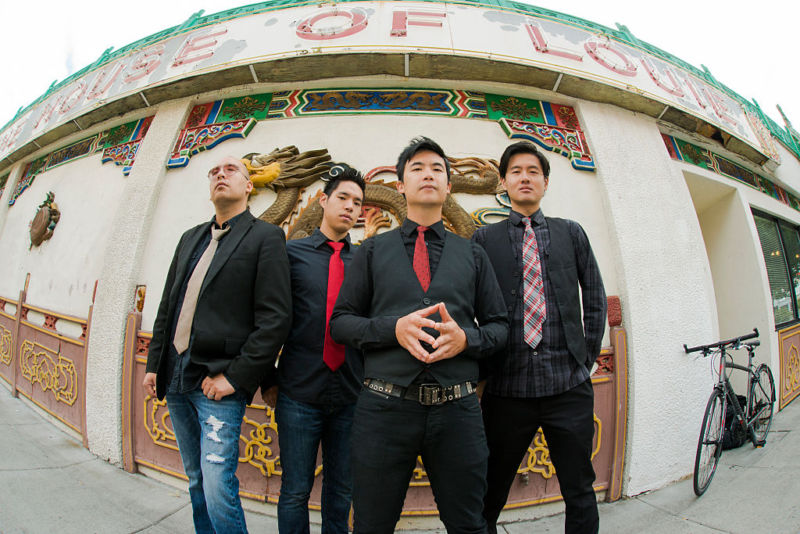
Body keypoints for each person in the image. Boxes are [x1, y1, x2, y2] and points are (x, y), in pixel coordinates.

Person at [330, 137, 509, 534]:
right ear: (400, 186)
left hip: (458, 412)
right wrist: (392, 328)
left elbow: (500, 327)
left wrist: (467, 339)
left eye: (437, 169)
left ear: (448, 187)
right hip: (383, 410)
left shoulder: (474, 254)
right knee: (371, 525)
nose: (428, 174)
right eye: (417, 168)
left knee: (470, 525)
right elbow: (341, 323)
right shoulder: (372, 251)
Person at [142, 155, 291, 534]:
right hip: (175, 376)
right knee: (195, 477)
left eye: (230, 170)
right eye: (214, 172)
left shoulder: (265, 237)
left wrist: (236, 378)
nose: (220, 175)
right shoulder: (190, 238)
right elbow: (168, 306)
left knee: (217, 481)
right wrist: (154, 365)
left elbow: (274, 320)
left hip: (218, 382)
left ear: (248, 186)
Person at [472, 141, 606, 534]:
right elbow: (472, 306)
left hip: (568, 386)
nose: (524, 177)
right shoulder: (484, 239)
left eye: (533, 171)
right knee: (489, 489)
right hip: (506, 389)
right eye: (516, 171)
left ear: (545, 183)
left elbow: (594, 295)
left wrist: (587, 358)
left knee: (579, 488)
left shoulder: (571, 233)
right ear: (504, 182)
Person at [260, 164, 366, 534]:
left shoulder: (366, 262)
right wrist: (268, 378)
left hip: (352, 394)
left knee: (341, 492)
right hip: (298, 392)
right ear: (323, 200)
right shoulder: (292, 255)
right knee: (295, 491)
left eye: (358, 203)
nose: (351, 207)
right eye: (343, 198)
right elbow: (269, 318)